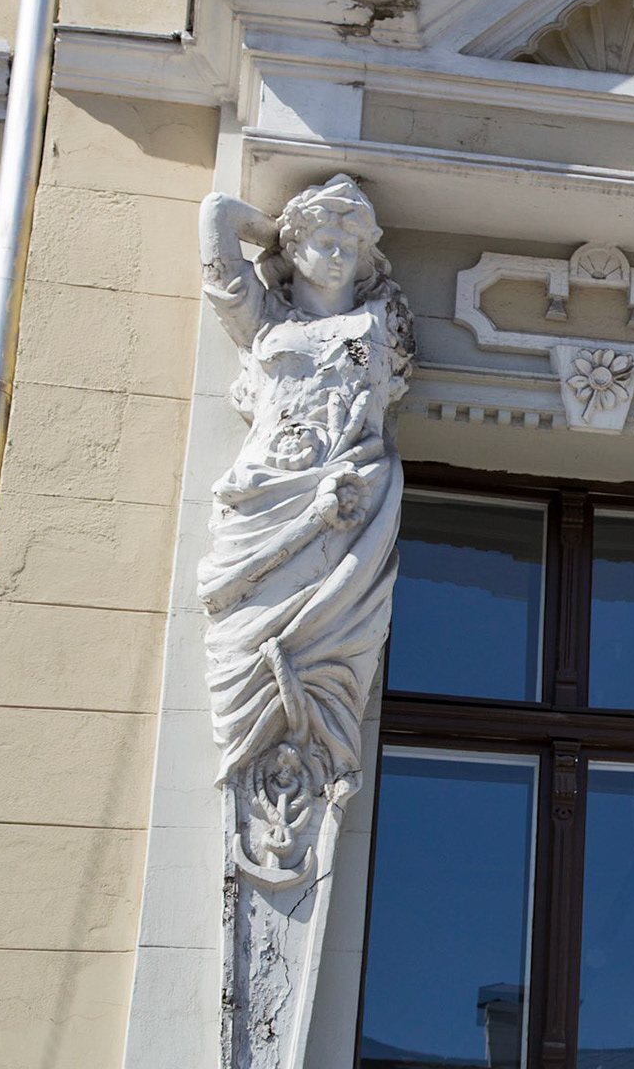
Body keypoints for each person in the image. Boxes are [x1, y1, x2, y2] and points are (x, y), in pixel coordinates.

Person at [196, 174, 414, 888]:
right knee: (244, 650)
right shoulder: (266, 320)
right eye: (323, 239)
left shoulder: (378, 325)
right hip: (266, 501)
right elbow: (217, 222)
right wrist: (278, 233)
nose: (338, 252)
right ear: (295, 247)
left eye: (352, 241)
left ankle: (310, 771)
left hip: (345, 499)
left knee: (319, 659)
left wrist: (310, 231)